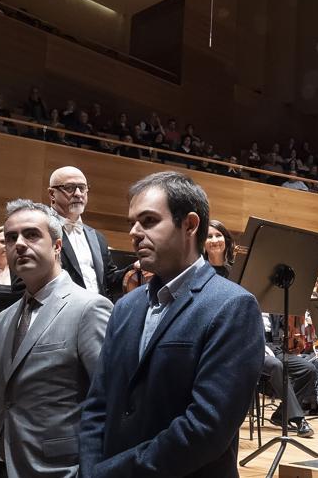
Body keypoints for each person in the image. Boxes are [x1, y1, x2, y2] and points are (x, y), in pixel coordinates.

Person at [78, 172, 263, 477]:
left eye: (149, 221)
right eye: (132, 223)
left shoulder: (232, 306)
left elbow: (206, 427)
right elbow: (98, 404)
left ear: (189, 224)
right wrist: (90, 470)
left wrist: (111, 473)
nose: (135, 233)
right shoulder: (125, 306)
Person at [0, 199, 112, 478]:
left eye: (31, 234)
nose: (19, 244)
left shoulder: (89, 308)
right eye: (11, 238)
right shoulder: (3, 318)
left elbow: (109, 401)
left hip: (58, 469)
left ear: (57, 247)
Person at [47, 166, 125, 298]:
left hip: (98, 314)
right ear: (52, 194)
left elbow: (110, 281)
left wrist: (134, 269)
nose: (78, 193)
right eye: (69, 188)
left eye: (82, 188)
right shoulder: (42, 231)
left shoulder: (97, 237)